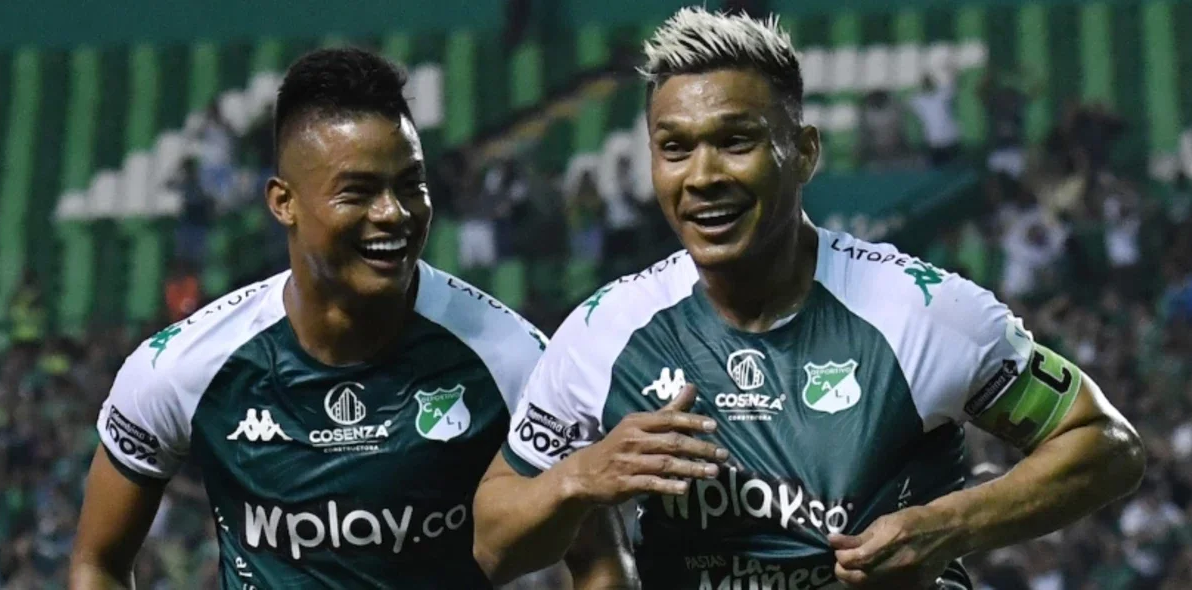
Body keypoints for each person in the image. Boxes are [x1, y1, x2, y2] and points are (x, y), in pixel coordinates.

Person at [473, 8, 1145, 589]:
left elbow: (1105, 444)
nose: (702, 175)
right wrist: (580, 476)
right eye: (673, 148)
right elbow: (495, 545)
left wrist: (949, 525)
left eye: (735, 141)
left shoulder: (922, 311)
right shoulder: (603, 334)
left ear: (803, 152)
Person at [69, 48, 572, 589]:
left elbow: (603, 565)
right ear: (284, 202)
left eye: (410, 185)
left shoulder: (514, 358)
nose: (393, 212)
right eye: (357, 191)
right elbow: (97, 562)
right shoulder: (180, 368)